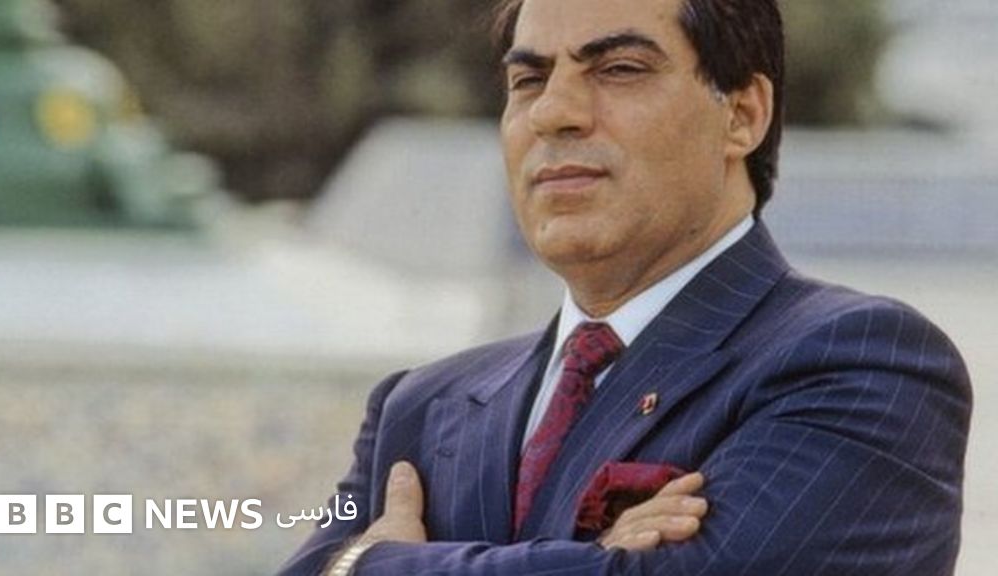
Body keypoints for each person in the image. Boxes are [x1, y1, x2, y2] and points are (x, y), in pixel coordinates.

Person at [277, 0, 972, 573]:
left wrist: (367, 564)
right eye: (529, 80)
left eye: (619, 69)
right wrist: (597, 559)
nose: (554, 112)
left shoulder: (865, 364)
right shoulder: (420, 408)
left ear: (743, 114)